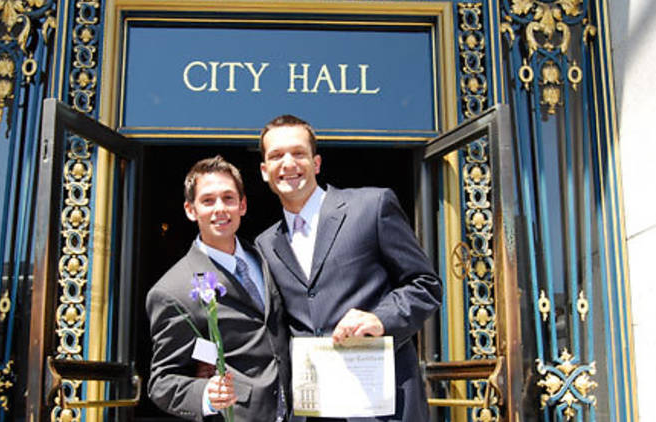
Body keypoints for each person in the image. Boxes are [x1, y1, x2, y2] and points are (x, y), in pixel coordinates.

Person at [255, 115, 442, 421]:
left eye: (298, 153)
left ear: (316, 163)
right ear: (265, 171)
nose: (288, 163)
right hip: (311, 410)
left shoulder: (372, 206)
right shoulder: (266, 244)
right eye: (276, 155)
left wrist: (379, 319)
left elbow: (426, 285)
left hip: (381, 406)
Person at [147, 155, 290, 421]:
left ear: (242, 205)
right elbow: (162, 382)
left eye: (228, 198)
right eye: (208, 201)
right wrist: (206, 394)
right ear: (191, 210)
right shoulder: (171, 290)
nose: (220, 209)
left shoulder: (268, 256)